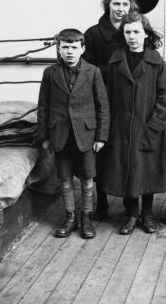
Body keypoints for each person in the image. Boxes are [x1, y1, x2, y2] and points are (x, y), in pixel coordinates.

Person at [102, 11, 166, 235]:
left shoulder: (156, 62)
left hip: (149, 127)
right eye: (128, 32)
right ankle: (131, 215)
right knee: (127, 171)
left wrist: (152, 126)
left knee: (147, 171)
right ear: (122, 34)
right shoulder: (115, 61)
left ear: (145, 34)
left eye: (136, 32)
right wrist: (111, 127)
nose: (132, 36)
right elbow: (108, 96)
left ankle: (148, 215)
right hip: (122, 129)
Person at [37, 29, 110, 239]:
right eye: (65, 47)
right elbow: (43, 106)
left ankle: (86, 217)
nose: (70, 52)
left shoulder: (93, 72)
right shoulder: (50, 73)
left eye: (74, 47)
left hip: (86, 136)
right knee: (65, 178)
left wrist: (101, 137)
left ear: (82, 49)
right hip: (59, 135)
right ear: (58, 49)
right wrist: (44, 137)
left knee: (87, 178)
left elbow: (102, 106)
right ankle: (70, 217)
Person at [83, 0, 139, 221]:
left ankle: (130, 204)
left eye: (125, 4)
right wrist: (112, 71)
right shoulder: (94, 33)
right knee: (101, 152)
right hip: (101, 99)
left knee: (124, 150)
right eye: (116, 3)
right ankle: (102, 204)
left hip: (126, 100)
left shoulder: (132, 31)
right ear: (108, 5)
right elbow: (87, 69)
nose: (120, 8)